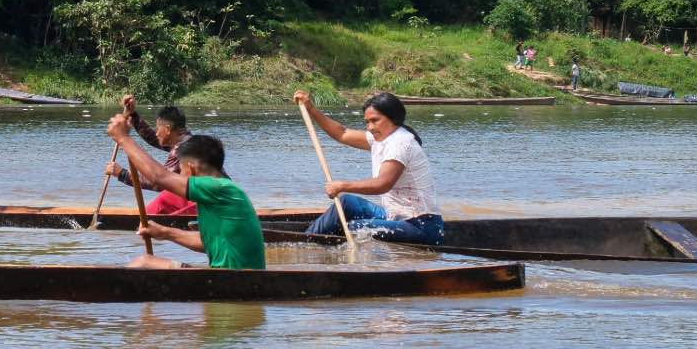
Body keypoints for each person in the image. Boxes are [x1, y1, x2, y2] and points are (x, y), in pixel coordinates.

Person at [105, 112, 265, 270]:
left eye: (180, 170)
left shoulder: (218, 188)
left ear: (191, 169)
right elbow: (207, 242)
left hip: (235, 281)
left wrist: (123, 139)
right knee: (146, 261)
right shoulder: (218, 194)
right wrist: (165, 232)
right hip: (228, 278)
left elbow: (158, 177)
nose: (179, 176)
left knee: (143, 263)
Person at [294, 90, 444, 245]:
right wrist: (310, 109)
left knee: (356, 229)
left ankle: (316, 249)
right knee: (347, 203)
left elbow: (382, 184)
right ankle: (306, 242)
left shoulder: (400, 143)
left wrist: (342, 185)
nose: (370, 127)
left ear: (393, 118)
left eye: (375, 120)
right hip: (394, 216)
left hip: (422, 226)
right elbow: (342, 133)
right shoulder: (381, 137)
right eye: (367, 122)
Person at [106, 95, 196, 216]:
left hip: (199, 202)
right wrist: (132, 115)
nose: (157, 132)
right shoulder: (187, 140)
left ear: (168, 129)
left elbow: (159, 182)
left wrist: (122, 174)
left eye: (158, 128)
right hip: (198, 196)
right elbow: (154, 138)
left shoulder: (183, 148)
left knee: (164, 199)